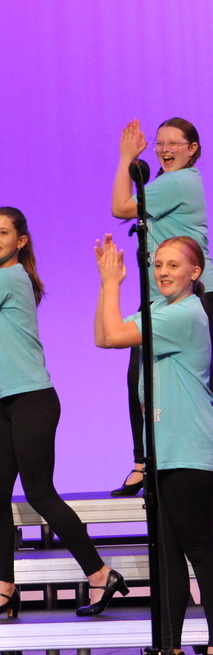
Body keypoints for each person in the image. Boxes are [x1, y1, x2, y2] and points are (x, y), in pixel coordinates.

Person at [95, 233, 213, 655]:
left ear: (195, 274)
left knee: (198, 547)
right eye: (158, 265)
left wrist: (111, 284)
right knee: (167, 553)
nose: (163, 272)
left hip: (190, 445)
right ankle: (169, 647)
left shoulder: (185, 313)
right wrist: (107, 284)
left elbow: (115, 335)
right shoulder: (159, 310)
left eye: (174, 265)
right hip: (166, 447)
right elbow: (103, 337)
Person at [0, 208, 127, 620]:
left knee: (38, 492)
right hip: (4, 400)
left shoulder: (11, 277)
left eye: (2, 232)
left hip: (31, 398)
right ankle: (4, 588)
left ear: (20, 241)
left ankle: (99, 571)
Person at [110, 118, 213, 497]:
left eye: (173, 143)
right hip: (161, 297)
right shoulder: (169, 181)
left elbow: (120, 207)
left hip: (194, 291)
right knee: (144, 378)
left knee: (196, 380)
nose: (164, 149)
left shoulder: (178, 181)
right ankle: (143, 463)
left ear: (192, 148)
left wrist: (125, 157)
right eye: (158, 143)